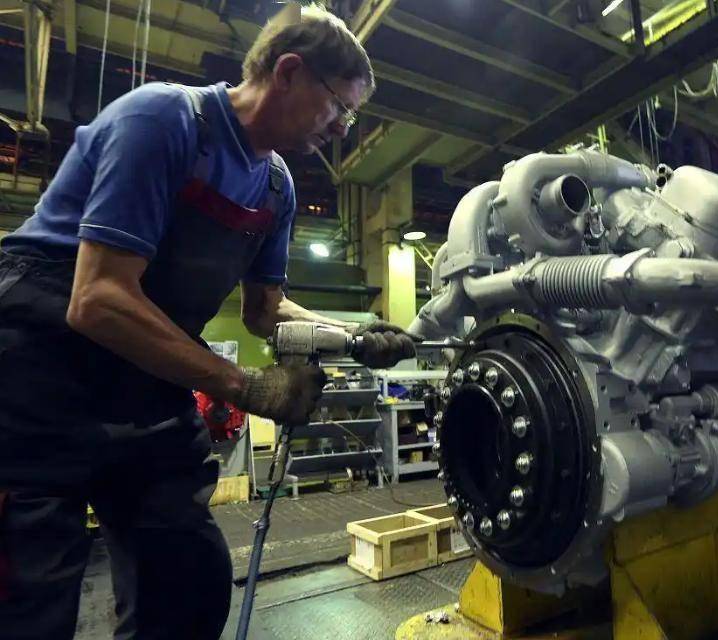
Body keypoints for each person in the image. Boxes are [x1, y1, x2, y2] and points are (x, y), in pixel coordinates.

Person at [0, 6, 415, 638]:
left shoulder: (275, 187)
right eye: (339, 107)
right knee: (28, 600)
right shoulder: (163, 119)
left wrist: (352, 338)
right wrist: (246, 387)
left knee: (186, 582)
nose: (341, 129)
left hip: (143, 371)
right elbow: (99, 298)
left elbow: (266, 312)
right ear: (288, 72)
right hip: (38, 371)